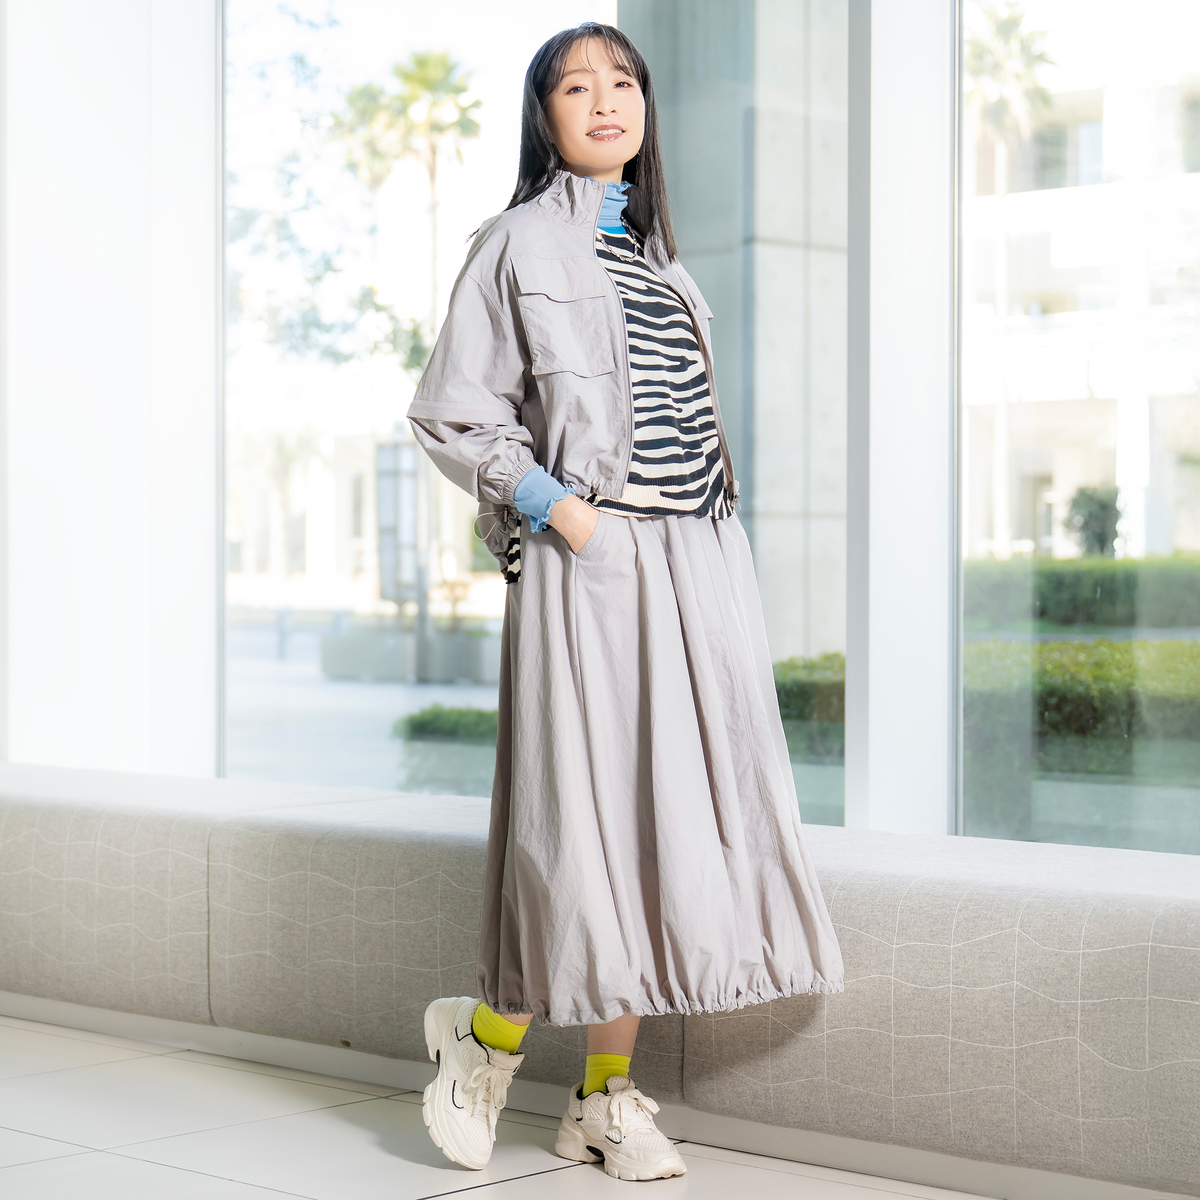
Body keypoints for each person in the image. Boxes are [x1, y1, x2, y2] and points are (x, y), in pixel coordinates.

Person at [408, 22, 844, 1183]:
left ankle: (603, 1097)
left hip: (699, 563)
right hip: (593, 564)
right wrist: (564, 513)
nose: (605, 100)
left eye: (623, 81)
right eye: (575, 86)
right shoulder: (515, 244)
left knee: (661, 833)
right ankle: (486, 1040)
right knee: (582, 825)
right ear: (543, 116)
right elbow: (454, 413)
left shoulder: (664, 265)